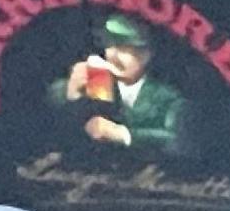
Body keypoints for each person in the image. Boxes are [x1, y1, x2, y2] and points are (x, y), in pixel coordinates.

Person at [54, 14, 185, 148]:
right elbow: (50, 124)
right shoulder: (97, 81)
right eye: (110, 46)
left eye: (123, 49)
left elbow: (178, 139)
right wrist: (72, 94)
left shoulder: (168, 97)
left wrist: (122, 134)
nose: (113, 56)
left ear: (146, 55)